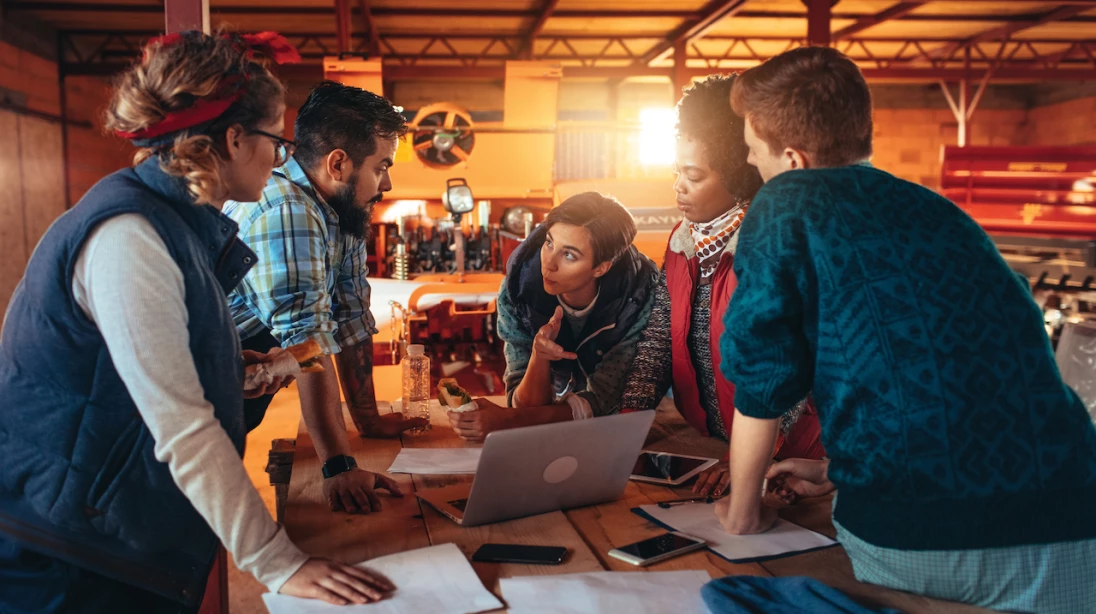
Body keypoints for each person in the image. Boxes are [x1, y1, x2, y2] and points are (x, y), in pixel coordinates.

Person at [0, 31, 392, 611]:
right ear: (234, 139)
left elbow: (133, 370)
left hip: (111, 528)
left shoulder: (177, 224)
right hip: (69, 550)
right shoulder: (130, 236)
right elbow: (183, 428)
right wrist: (278, 563)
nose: (280, 158)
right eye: (275, 143)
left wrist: (233, 369)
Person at [715, 46, 1096, 613]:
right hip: (1074, 519)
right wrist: (834, 468)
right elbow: (981, 367)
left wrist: (742, 512)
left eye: (753, 154)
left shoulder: (786, 200)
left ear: (791, 158)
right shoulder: (938, 211)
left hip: (926, 536)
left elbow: (764, 375)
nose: (755, 169)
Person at [225, 81, 426, 515]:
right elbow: (308, 341)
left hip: (240, 385)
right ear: (338, 163)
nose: (387, 182)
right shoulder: (287, 208)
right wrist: (338, 466)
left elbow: (350, 315)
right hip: (189, 397)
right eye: (382, 166)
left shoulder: (341, 209)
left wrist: (368, 420)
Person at [619, 74, 824, 497]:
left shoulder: (776, 246)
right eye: (677, 171)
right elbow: (659, 339)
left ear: (739, 174)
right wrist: (624, 425)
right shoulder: (683, 240)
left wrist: (754, 457)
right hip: (714, 443)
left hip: (792, 455)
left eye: (694, 175)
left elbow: (786, 371)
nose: (678, 186)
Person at [447, 192, 658, 441]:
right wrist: (539, 357)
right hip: (559, 426)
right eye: (549, 243)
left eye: (569, 255)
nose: (548, 264)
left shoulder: (641, 296)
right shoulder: (518, 291)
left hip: (638, 426)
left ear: (601, 267)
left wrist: (507, 422)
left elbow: (605, 402)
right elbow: (523, 405)